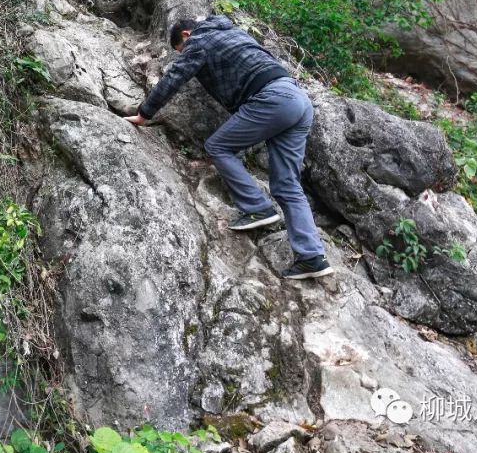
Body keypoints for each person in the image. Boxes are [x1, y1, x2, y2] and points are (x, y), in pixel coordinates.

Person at [124, 16, 334, 280]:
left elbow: (176, 76)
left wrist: (145, 113)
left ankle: (257, 206)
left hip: (273, 99)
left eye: (181, 50)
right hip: (298, 101)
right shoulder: (234, 33)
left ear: (186, 35)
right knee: (287, 184)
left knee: (217, 146)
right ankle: (312, 257)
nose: (183, 54)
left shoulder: (199, 41)